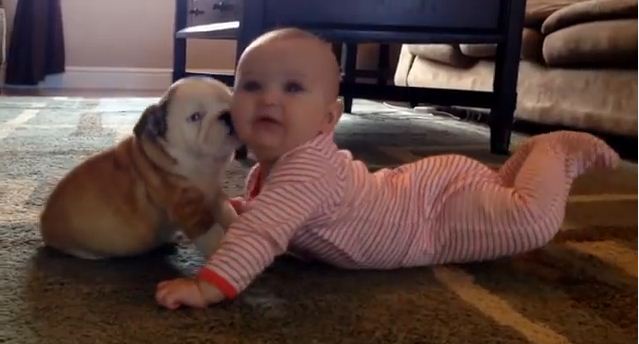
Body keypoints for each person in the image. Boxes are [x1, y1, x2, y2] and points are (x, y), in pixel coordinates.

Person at [155, 28, 620, 309]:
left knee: (528, 219)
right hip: (417, 193)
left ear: (328, 119)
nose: (270, 97)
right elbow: (264, 215)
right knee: (501, 196)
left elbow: (259, 234)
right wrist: (219, 210)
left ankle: (556, 152)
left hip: (431, 217)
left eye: (293, 87)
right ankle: (524, 165)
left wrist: (208, 287)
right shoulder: (276, 170)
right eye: (252, 85)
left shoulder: (301, 172)